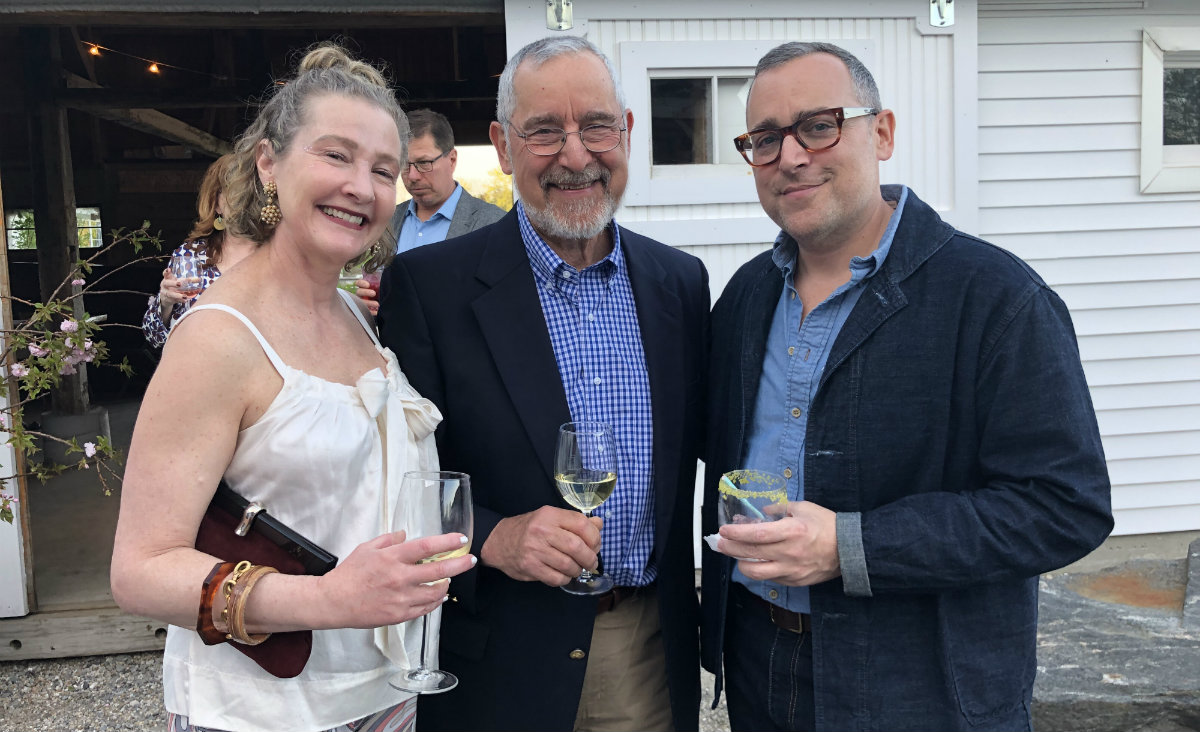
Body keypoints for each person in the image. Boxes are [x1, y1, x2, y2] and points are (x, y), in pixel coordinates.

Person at [700, 41, 1114, 732]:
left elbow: (1064, 507)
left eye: (820, 124)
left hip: (925, 685)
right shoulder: (745, 297)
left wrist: (852, 547)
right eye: (765, 139)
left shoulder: (996, 298)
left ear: (882, 132)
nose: (791, 156)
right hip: (761, 664)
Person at [111, 43, 476, 732]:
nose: (362, 187)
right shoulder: (216, 337)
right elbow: (138, 571)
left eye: (383, 170)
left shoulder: (350, 314)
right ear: (269, 163)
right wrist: (329, 599)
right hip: (264, 712)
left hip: (384, 697)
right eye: (335, 156)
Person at [377, 35, 708, 732]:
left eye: (596, 126)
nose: (576, 154)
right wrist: (491, 537)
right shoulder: (430, 288)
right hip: (500, 658)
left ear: (627, 133)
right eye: (544, 131)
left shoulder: (679, 284)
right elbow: (391, 481)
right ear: (501, 145)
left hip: (640, 649)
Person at [355, 109, 505, 315]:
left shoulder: (494, 223)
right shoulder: (387, 219)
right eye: (404, 165)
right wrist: (366, 307)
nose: (413, 176)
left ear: (452, 160)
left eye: (424, 163)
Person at [142, 154, 257, 347]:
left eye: (251, 193)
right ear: (217, 204)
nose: (244, 202)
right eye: (234, 192)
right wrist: (165, 303)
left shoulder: (279, 254)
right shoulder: (190, 254)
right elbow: (155, 338)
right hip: (203, 370)